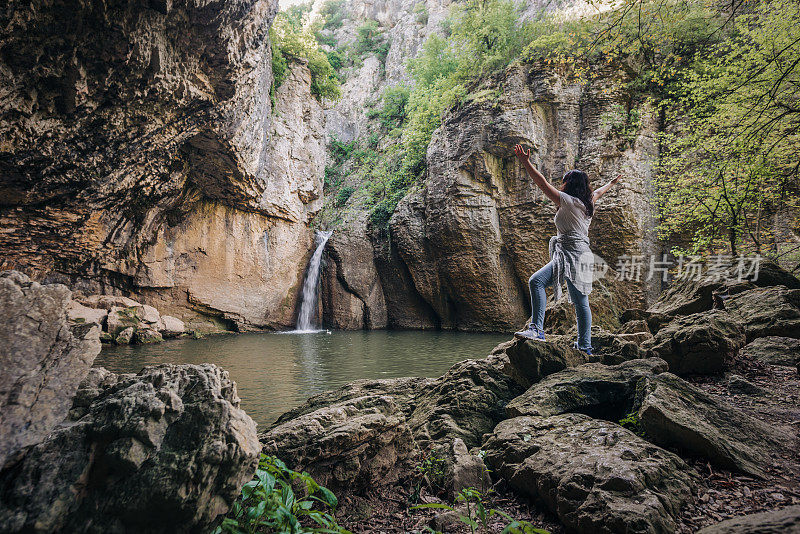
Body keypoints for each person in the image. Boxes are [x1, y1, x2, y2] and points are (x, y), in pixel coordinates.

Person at [512, 144, 621, 354]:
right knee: (572, 298)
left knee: (563, 293)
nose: (560, 184)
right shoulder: (588, 202)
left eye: (563, 181)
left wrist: (525, 161)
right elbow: (599, 191)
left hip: (574, 253)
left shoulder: (568, 201)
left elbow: (541, 183)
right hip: (573, 253)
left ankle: (558, 337)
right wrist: (612, 183)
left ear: (568, 184)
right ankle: (574, 342)